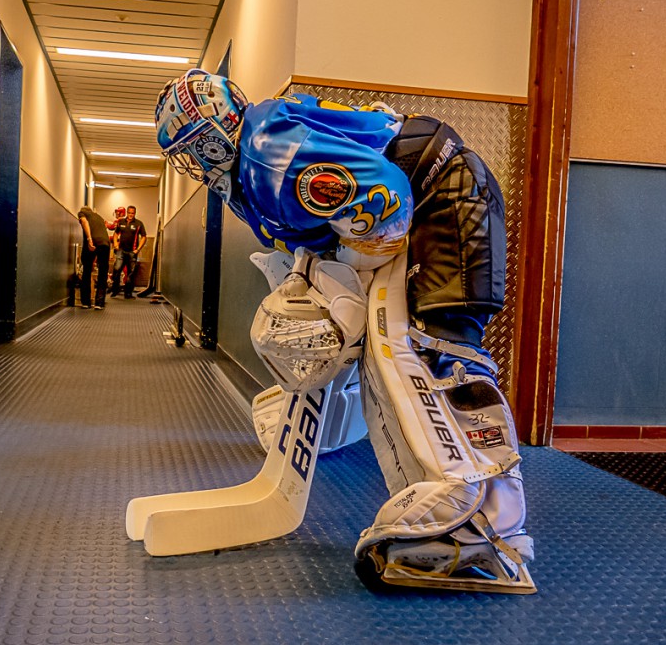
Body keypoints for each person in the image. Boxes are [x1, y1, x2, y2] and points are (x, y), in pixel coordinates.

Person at [153, 68, 534, 593]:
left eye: (194, 147)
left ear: (216, 130)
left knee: (418, 348)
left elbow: (389, 201)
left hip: (438, 196)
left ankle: (476, 510)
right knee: (390, 344)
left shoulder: (269, 154)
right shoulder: (250, 169)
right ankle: (473, 508)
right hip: (422, 201)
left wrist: (342, 285)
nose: (193, 163)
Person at [76, 205, 110, 310]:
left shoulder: (82, 213)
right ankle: (99, 303)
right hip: (105, 243)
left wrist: (89, 239)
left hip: (92, 241)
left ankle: (86, 302)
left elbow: (84, 222)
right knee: (103, 273)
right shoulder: (98, 217)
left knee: (86, 271)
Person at [111, 206, 147, 298]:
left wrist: (137, 249)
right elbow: (115, 233)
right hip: (121, 251)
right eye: (129, 213)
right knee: (116, 270)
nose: (131, 215)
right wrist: (115, 244)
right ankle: (115, 290)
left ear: (135, 213)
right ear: (127, 212)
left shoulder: (139, 224)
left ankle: (128, 293)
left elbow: (144, 237)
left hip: (132, 252)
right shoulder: (121, 222)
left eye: (133, 213)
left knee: (130, 273)